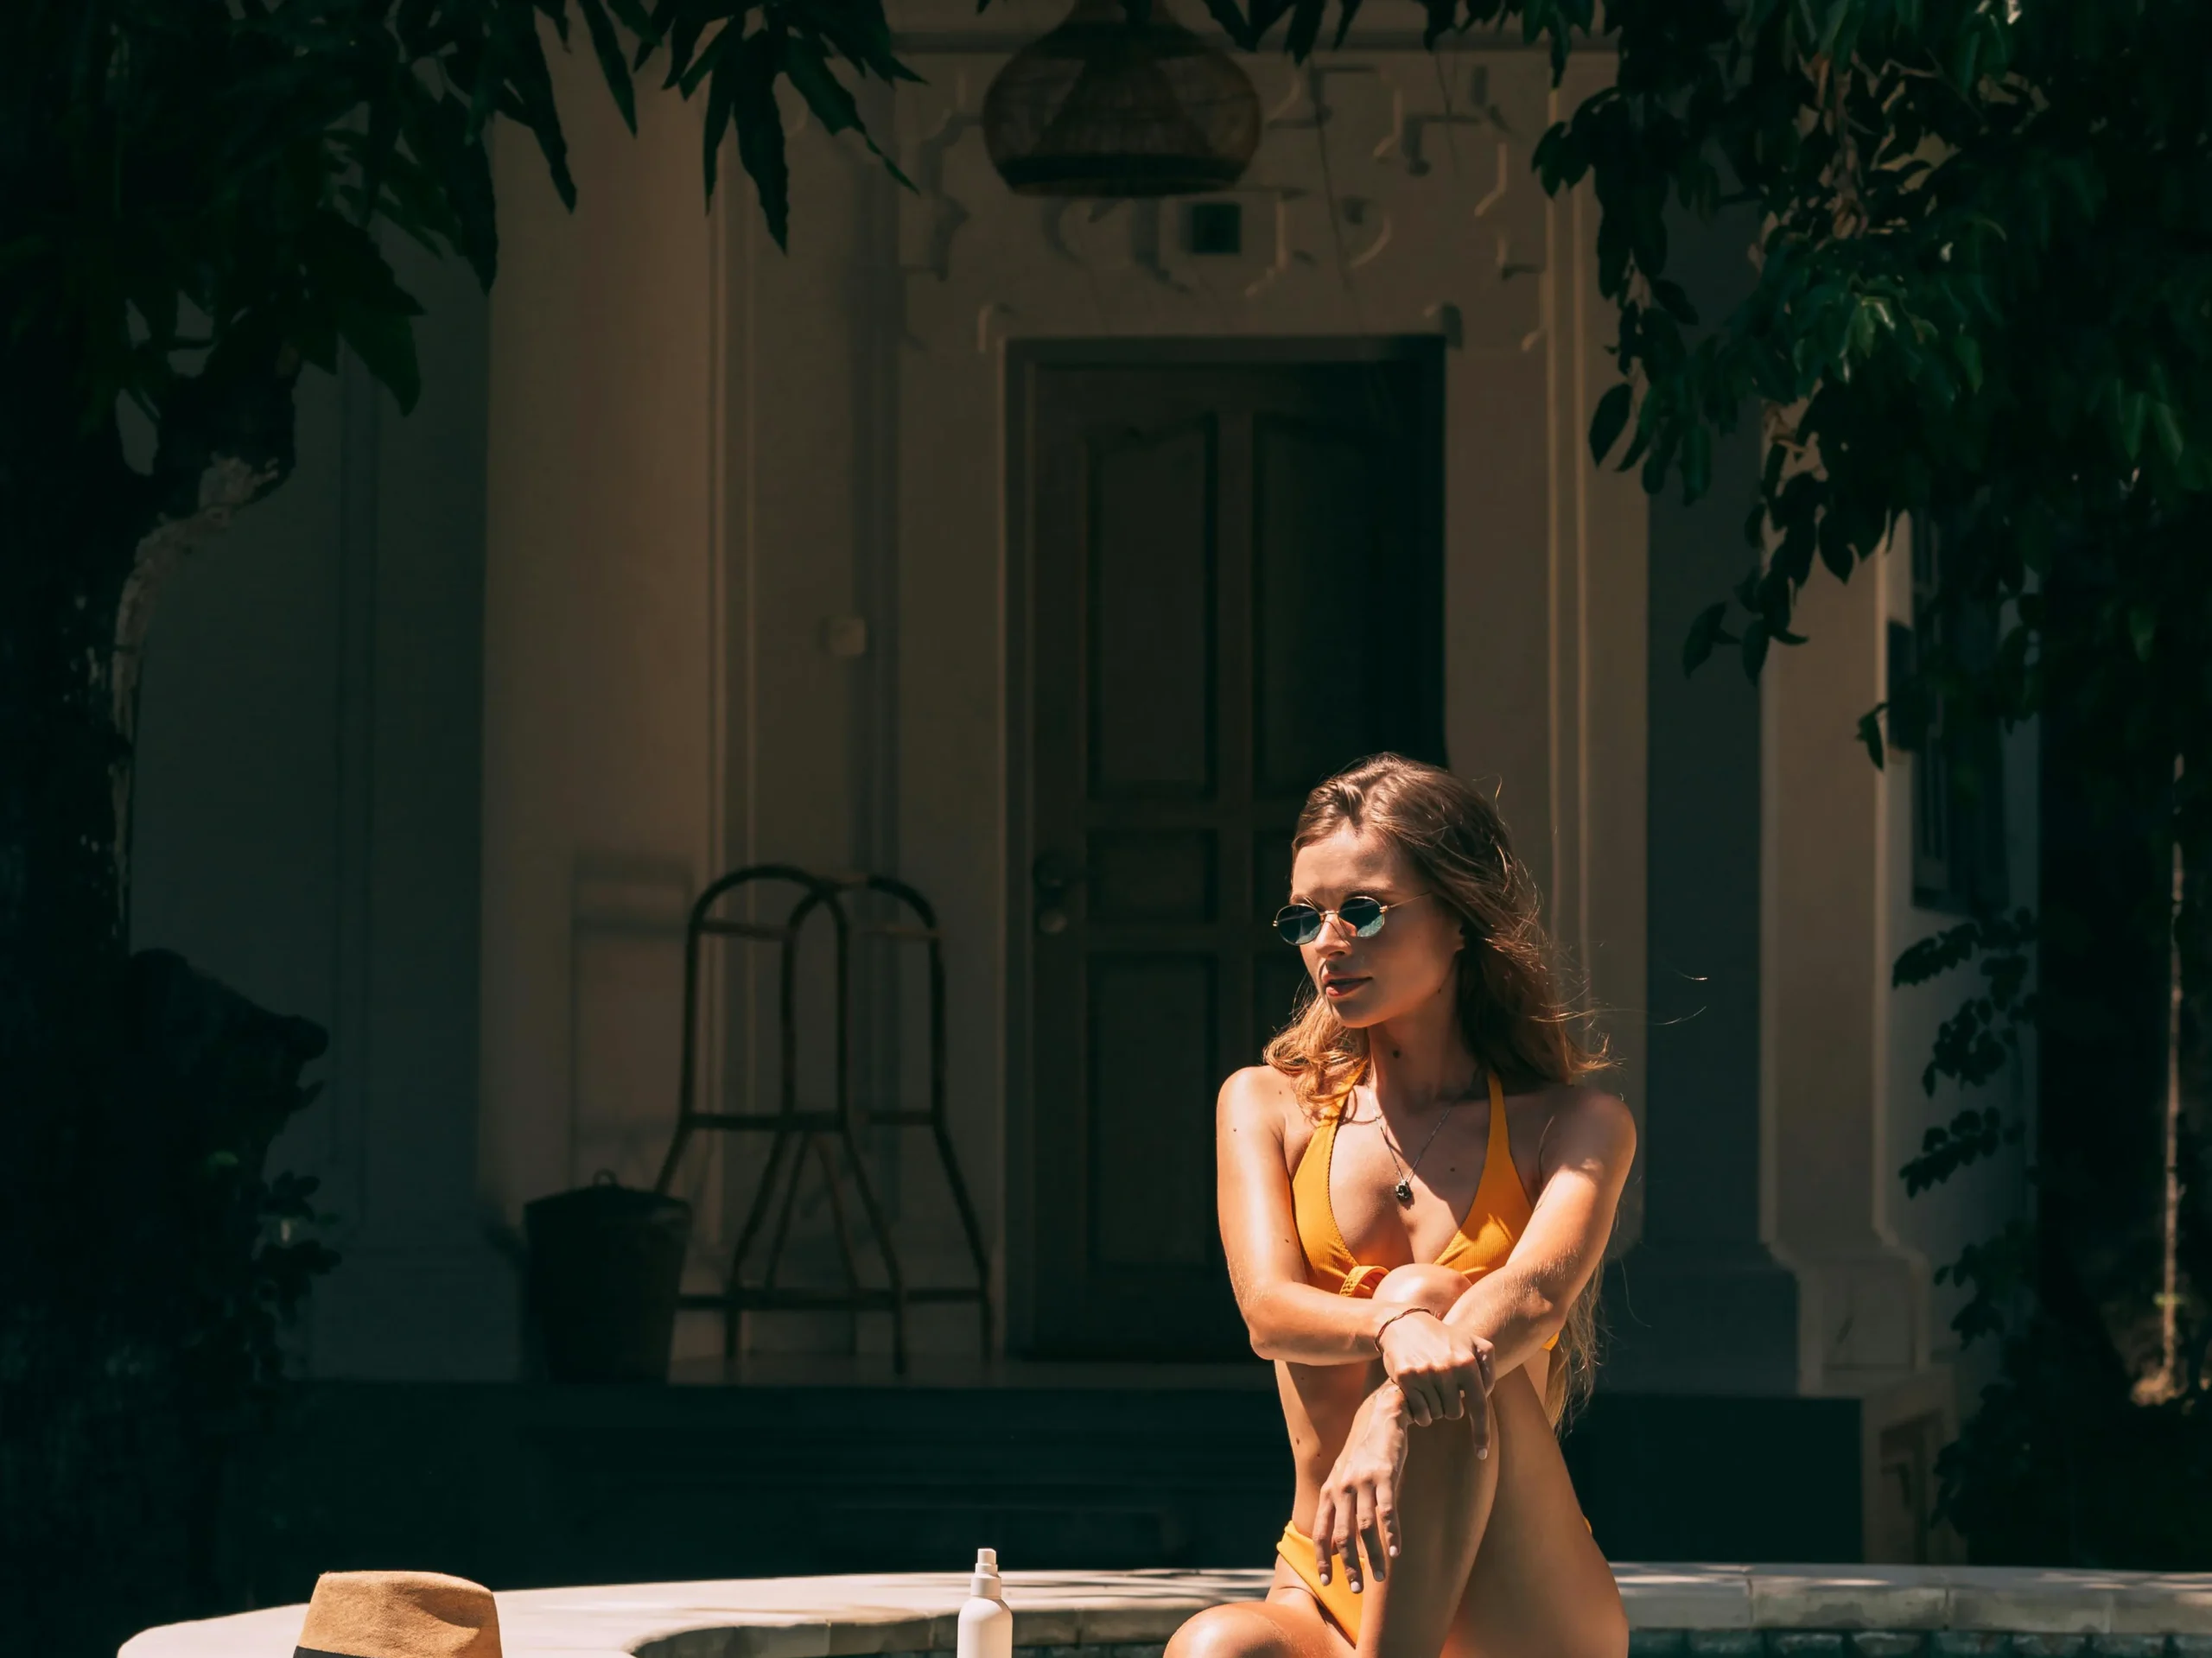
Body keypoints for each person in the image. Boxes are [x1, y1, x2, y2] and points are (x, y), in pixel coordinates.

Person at [1168, 755, 1636, 1658]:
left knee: (1436, 1305)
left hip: (1516, 1596)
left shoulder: (1575, 1123)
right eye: (1304, 917)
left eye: (1365, 911)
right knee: (1212, 1647)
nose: (1328, 942)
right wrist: (1391, 1331)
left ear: (1461, 917)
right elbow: (1268, 1311)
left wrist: (1396, 1395)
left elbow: (1534, 1297)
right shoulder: (1265, 1105)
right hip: (1326, 1576)